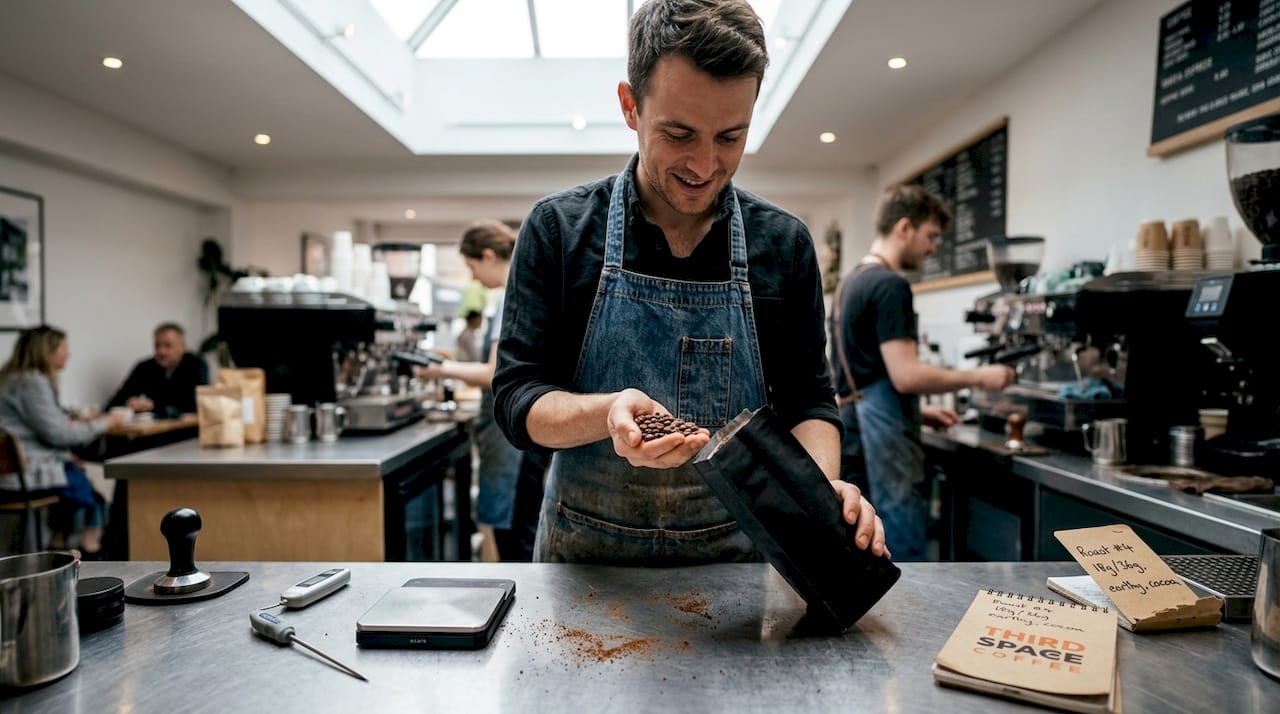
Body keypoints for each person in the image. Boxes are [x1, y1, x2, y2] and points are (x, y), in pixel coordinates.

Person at [492, 0, 886, 565]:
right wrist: (606, 412)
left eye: (730, 137)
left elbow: (809, 402)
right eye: (678, 134)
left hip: (736, 566)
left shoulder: (783, 244)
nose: (704, 165)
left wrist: (816, 494)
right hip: (586, 568)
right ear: (631, 106)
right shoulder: (559, 229)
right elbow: (517, 398)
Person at [832, 184, 1016, 561]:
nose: (933, 248)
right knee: (896, 534)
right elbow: (906, 375)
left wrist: (917, 412)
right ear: (904, 228)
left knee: (863, 537)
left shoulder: (851, 282)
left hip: (852, 425)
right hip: (880, 435)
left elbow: (863, 373)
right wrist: (981, 377)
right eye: (931, 236)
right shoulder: (890, 284)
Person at [414, 220, 547, 562]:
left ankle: (526, 612)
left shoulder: (513, 295)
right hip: (515, 437)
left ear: (489, 256)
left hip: (513, 440)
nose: (473, 278)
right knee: (519, 530)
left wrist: (439, 369)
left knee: (516, 536)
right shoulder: (516, 293)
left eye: (472, 267)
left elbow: (495, 373)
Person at [0, 326, 125, 554]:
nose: (68, 353)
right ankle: (89, 550)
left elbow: (39, 430)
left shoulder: (11, 380)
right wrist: (106, 422)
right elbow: (59, 435)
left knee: (83, 471)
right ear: (47, 351)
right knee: (100, 482)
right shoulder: (32, 383)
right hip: (25, 477)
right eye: (64, 347)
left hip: (15, 471)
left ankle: (64, 544)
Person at [107, 322, 209, 419]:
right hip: (152, 431)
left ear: (182, 347)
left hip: (185, 432)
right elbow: (119, 399)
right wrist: (128, 403)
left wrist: (153, 406)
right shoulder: (144, 367)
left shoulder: (195, 365)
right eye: (157, 346)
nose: (161, 351)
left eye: (168, 346)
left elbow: (195, 405)